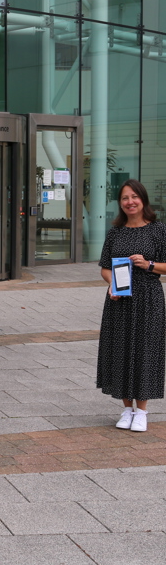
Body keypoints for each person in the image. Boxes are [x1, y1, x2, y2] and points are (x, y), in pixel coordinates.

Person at [98, 179, 166, 433]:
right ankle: (127, 409)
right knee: (120, 350)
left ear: (143, 200)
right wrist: (111, 285)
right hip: (119, 300)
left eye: (134, 197)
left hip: (149, 299)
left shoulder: (158, 230)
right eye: (125, 198)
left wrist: (148, 264)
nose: (130, 202)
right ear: (120, 203)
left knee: (146, 351)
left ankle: (142, 411)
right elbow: (105, 268)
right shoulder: (115, 232)